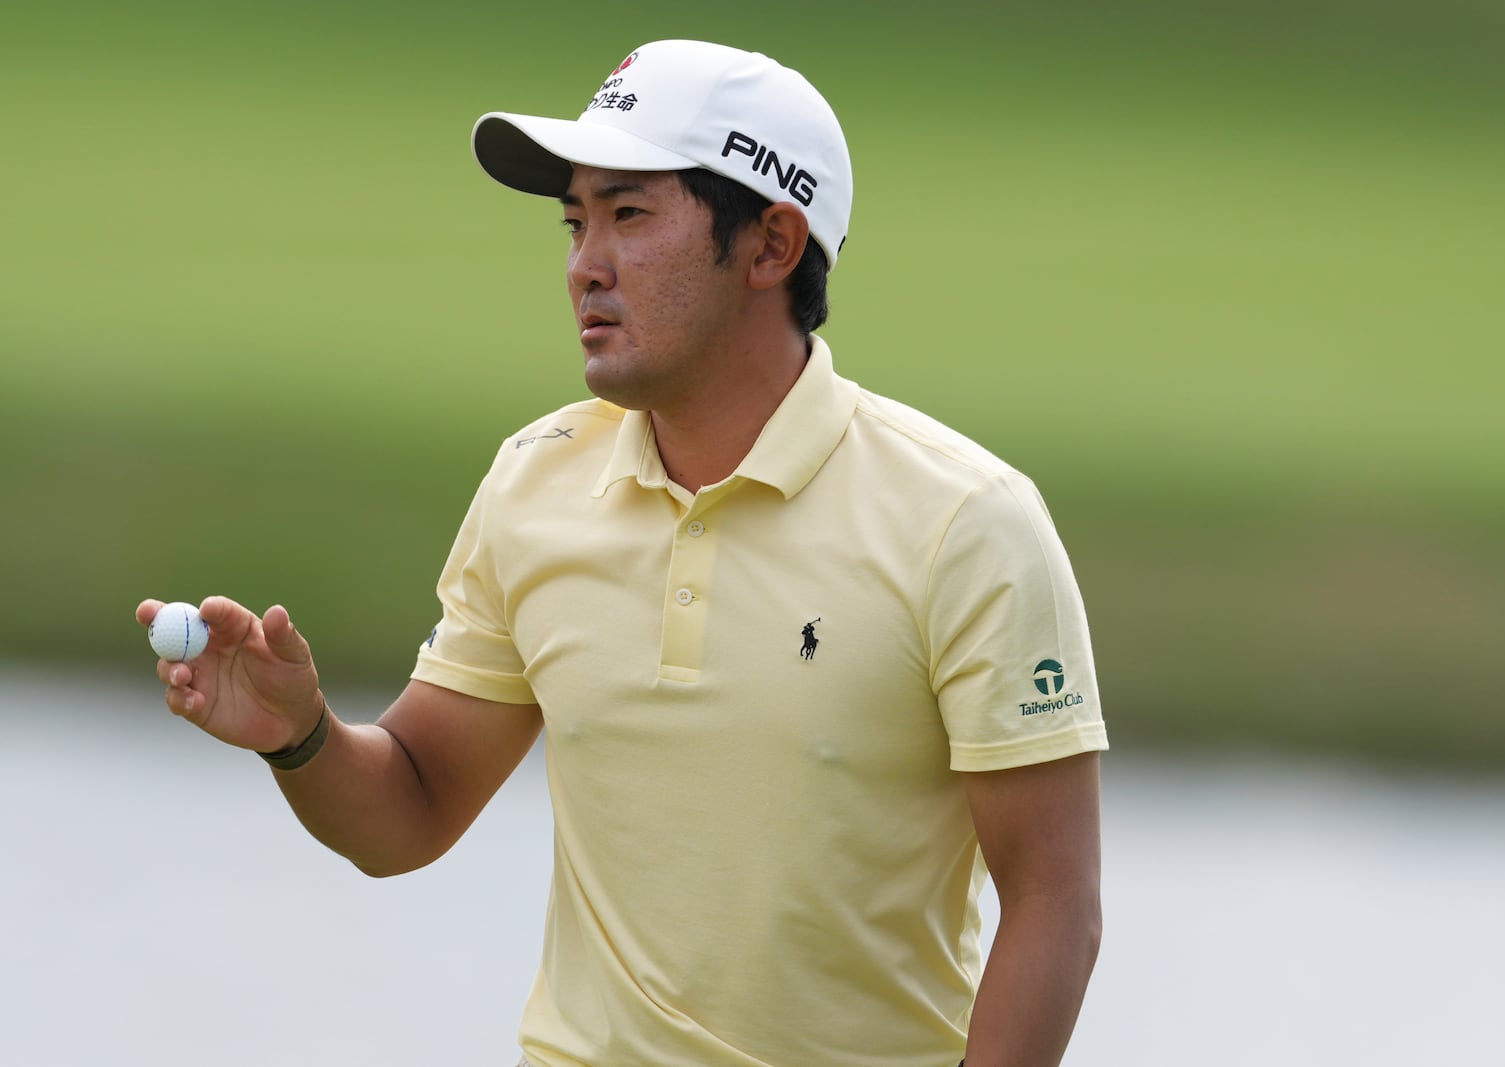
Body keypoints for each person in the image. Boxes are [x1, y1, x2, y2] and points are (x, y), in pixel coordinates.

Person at [137, 39, 1107, 1067]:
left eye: (628, 215)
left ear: (771, 245)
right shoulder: (534, 481)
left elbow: (1053, 901)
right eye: (575, 220)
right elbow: (409, 809)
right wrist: (302, 736)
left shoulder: (966, 520)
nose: (582, 264)